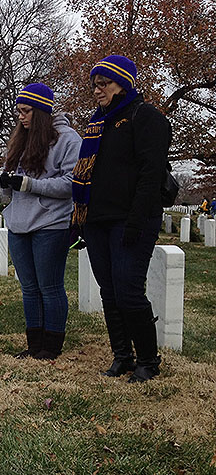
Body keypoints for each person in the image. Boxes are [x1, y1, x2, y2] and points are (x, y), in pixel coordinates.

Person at [72, 55, 171, 382]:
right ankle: (123, 357)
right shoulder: (96, 123)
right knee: (109, 291)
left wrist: (136, 221)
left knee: (128, 291)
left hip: (132, 220)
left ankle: (147, 361)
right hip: (97, 221)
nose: (98, 90)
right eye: (95, 85)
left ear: (123, 83)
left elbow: (150, 175)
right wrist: (83, 220)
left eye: (105, 84)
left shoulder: (146, 118)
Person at [0, 82, 82, 359]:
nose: (21, 117)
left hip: (50, 223)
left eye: (26, 111)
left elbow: (72, 184)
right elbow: (12, 185)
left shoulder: (69, 140)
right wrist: (6, 183)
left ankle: (51, 347)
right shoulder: (20, 140)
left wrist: (29, 184)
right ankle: (34, 345)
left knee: (50, 287)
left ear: (42, 111)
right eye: (18, 112)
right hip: (18, 224)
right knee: (29, 288)